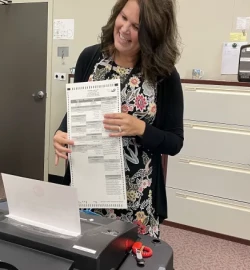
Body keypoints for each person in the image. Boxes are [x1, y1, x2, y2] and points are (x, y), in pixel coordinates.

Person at [53, 0, 184, 238]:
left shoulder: (164, 74)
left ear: (152, 33)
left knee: (128, 258)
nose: (124, 29)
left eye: (136, 26)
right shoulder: (90, 57)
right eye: (123, 17)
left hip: (136, 197)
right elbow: (75, 110)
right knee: (83, 251)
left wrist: (141, 128)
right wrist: (61, 132)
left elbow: (175, 142)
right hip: (88, 187)